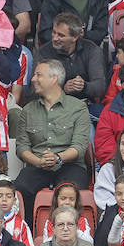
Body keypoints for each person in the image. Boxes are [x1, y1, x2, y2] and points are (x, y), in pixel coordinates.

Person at [11, 61, 92, 214]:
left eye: (38, 75)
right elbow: (22, 147)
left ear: (54, 79)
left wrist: (58, 158)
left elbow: (79, 147)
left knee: (72, 191)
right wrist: (39, 161)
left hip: (70, 165)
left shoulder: (78, 108)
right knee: (21, 187)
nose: (33, 79)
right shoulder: (28, 110)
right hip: (37, 165)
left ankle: (72, 231)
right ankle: (29, 232)